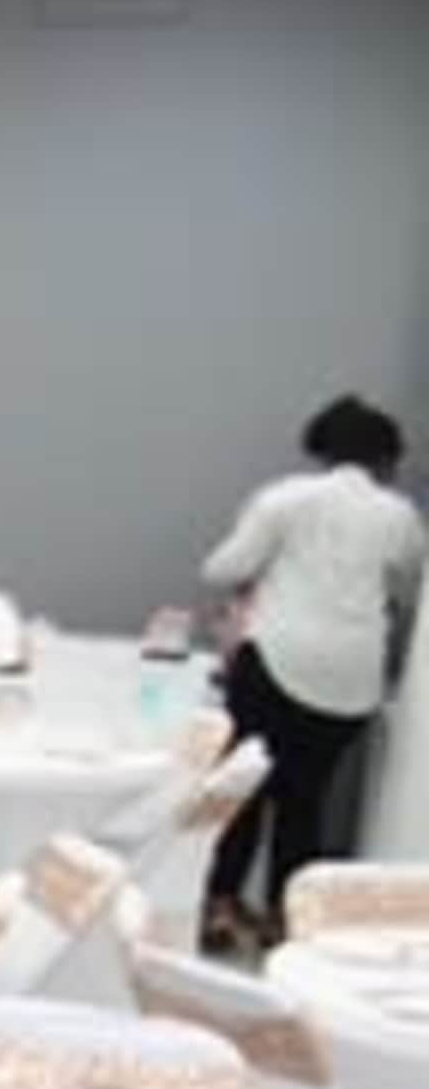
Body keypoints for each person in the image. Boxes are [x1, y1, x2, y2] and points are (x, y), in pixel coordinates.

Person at [199, 394, 425, 952]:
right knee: (306, 801)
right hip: (351, 681)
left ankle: (221, 908)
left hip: (277, 658)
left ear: (321, 448)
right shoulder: (399, 517)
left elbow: (222, 567)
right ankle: (284, 918)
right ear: (385, 459)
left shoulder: (286, 500)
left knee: (245, 790)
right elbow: (409, 589)